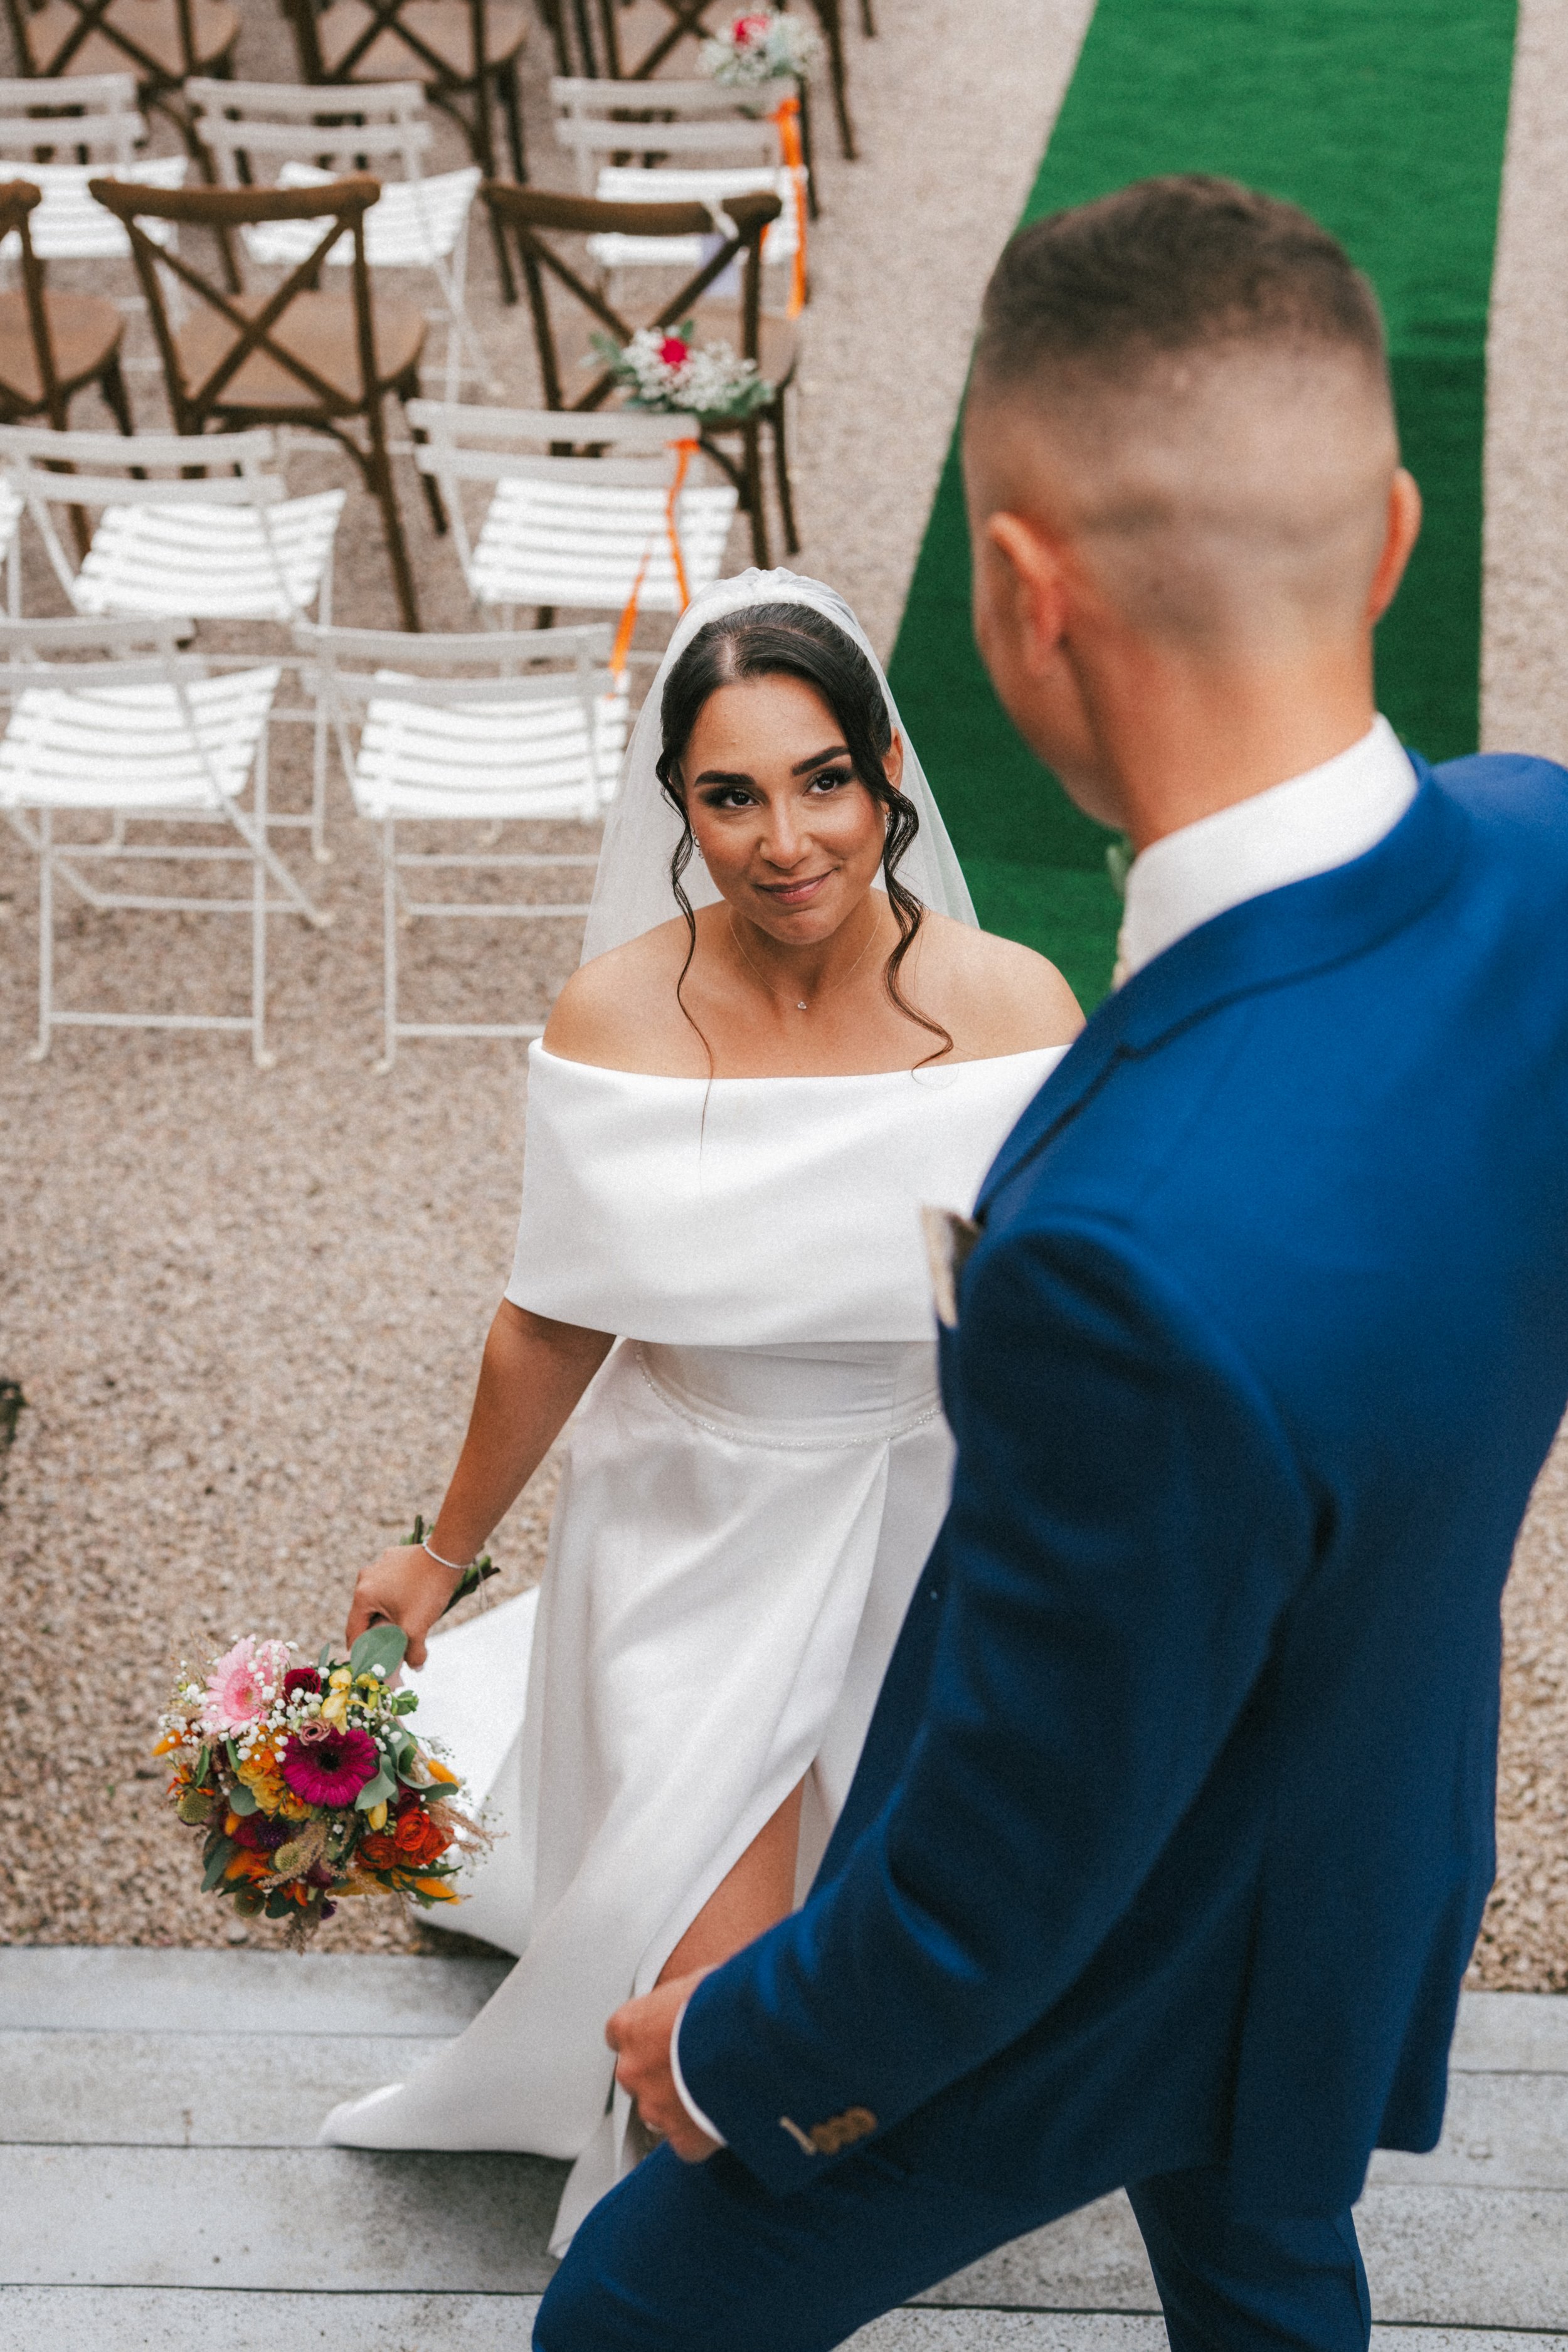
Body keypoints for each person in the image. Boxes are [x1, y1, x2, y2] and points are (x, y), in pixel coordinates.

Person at [538, 176, 1568, 2352]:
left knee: (627, 2314)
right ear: (1388, 536)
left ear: (1014, 607)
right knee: (1266, 2270)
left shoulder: (1117, 1247)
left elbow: (1006, 1852)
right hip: (1362, 1851)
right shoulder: (1539, 854)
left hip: (1107, 1953)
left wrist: (727, 2047)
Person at [320, 571, 1083, 2253]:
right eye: (729, 795)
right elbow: (552, 1315)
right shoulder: (616, 1019)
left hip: (924, 1513)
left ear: (888, 768)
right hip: (687, 1526)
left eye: (821, 780)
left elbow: (1041, 1312)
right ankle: (680, 2270)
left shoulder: (1017, 1008)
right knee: (706, 2003)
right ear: (677, 804)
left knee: (881, 1958)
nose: (785, 838)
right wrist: (441, 1552)